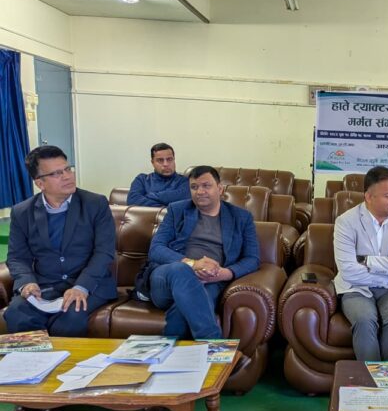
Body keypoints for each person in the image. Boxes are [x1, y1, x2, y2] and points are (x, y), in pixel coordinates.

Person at [4, 145, 117, 336]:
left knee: (71, 317)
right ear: (40, 183)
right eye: (57, 173)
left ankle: (65, 357)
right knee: (17, 313)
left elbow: (104, 252)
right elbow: (17, 257)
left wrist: (81, 287)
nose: (67, 176)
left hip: (89, 285)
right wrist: (27, 283)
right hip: (44, 286)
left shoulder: (95, 204)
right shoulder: (22, 212)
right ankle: (33, 357)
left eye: (67, 169)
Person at [145, 165, 260, 339]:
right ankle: (213, 344)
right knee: (181, 270)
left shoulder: (241, 217)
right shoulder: (177, 210)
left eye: (206, 186)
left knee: (186, 308)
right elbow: (156, 249)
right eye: (194, 187)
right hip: (167, 278)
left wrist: (224, 273)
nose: (200, 191)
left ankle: (171, 349)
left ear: (220, 189)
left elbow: (252, 258)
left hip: (211, 280)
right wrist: (192, 264)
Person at [333, 166, 388, 362]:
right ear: (368, 197)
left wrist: (367, 260)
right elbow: (349, 272)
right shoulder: (346, 222)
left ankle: (387, 376)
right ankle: (370, 378)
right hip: (356, 287)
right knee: (364, 319)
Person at [127, 143, 190, 207]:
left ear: (174, 160)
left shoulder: (185, 181)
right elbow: (133, 200)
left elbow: (184, 197)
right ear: (153, 163)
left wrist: (148, 196)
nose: (166, 164)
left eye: (169, 159)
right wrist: (163, 208)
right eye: (160, 160)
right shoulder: (142, 180)